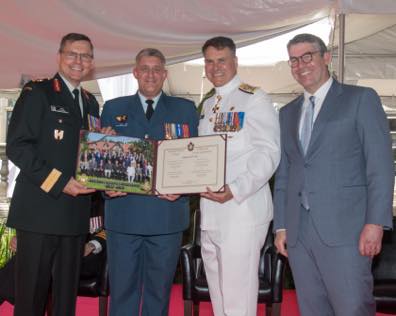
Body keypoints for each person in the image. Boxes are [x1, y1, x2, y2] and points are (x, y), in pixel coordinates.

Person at [273, 33, 394, 316]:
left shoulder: (360, 99)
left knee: (352, 308)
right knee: (312, 310)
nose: (301, 65)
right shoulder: (287, 113)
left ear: (326, 57)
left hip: (347, 232)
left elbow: (380, 166)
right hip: (299, 234)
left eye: (308, 56)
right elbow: (285, 172)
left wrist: (376, 222)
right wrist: (281, 225)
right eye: (294, 60)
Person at [6, 33, 100, 316]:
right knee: (31, 297)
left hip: (74, 215)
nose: (78, 61)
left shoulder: (90, 102)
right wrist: (60, 182)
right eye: (73, 54)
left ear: (91, 63)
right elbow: (17, 147)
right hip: (39, 213)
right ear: (59, 56)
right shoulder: (39, 93)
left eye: (85, 56)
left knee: (65, 300)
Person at [100, 48, 199, 316]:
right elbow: (101, 162)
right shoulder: (113, 108)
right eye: (145, 68)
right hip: (124, 216)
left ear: (165, 74)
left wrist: (183, 188)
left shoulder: (186, 109)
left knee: (159, 293)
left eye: (157, 69)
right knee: (122, 293)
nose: (150, 74)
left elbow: (196, 160)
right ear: (135, 72)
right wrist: (105, 179)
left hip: (166, 216)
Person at [198, 36, 280, 316]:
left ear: (235, 61)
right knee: (219, 297)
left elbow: (268, 153)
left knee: (238, 299)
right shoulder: (208, 104)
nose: (215, 67)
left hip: (241, 210)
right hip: (210, 212)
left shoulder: (254, 98)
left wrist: (235, 188)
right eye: (209, 61)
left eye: (222, 60)